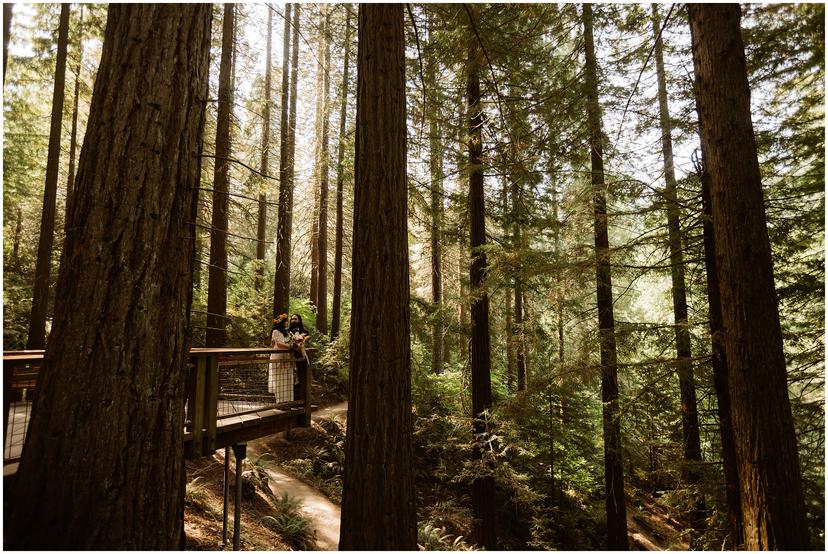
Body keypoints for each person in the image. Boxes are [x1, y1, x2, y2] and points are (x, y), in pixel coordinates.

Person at [268, 314, 293, 403]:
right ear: (282, 322)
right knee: (278, 378)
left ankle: (287, 400)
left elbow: (288, 341)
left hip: (286, 356)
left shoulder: (286, 332)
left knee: (286, 378)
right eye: (286, 321)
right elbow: (278, 344)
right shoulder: (275, 331)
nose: (287, 323)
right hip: (277, 356)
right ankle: (280, 401)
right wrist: (290, 346)